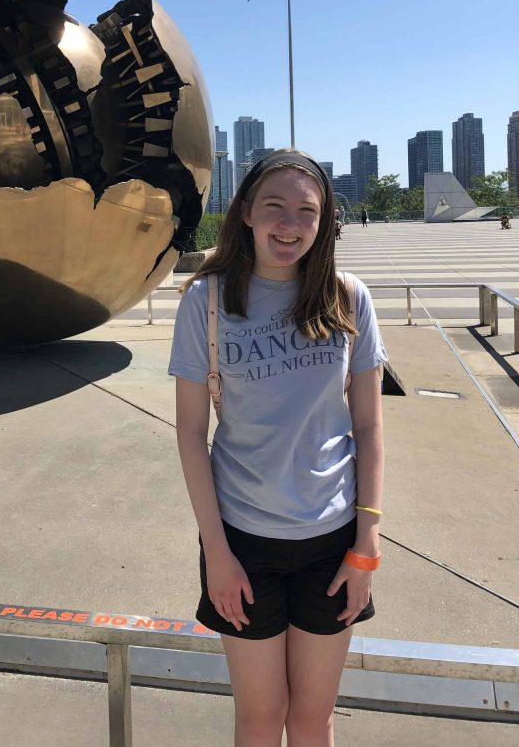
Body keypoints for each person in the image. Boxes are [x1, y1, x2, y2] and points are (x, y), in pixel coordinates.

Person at [169, 149, 386, 747]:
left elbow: (368, 427)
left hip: (333, 542)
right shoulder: (206, 301)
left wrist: (366, 544)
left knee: (313, 719)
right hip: (242, 542)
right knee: (260, 719)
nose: (289, 223)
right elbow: (191, 432)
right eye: (274, 206)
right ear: (244, 213)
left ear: (324, 222)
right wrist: (216, 551)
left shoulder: (348, 299)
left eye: (307, 211)